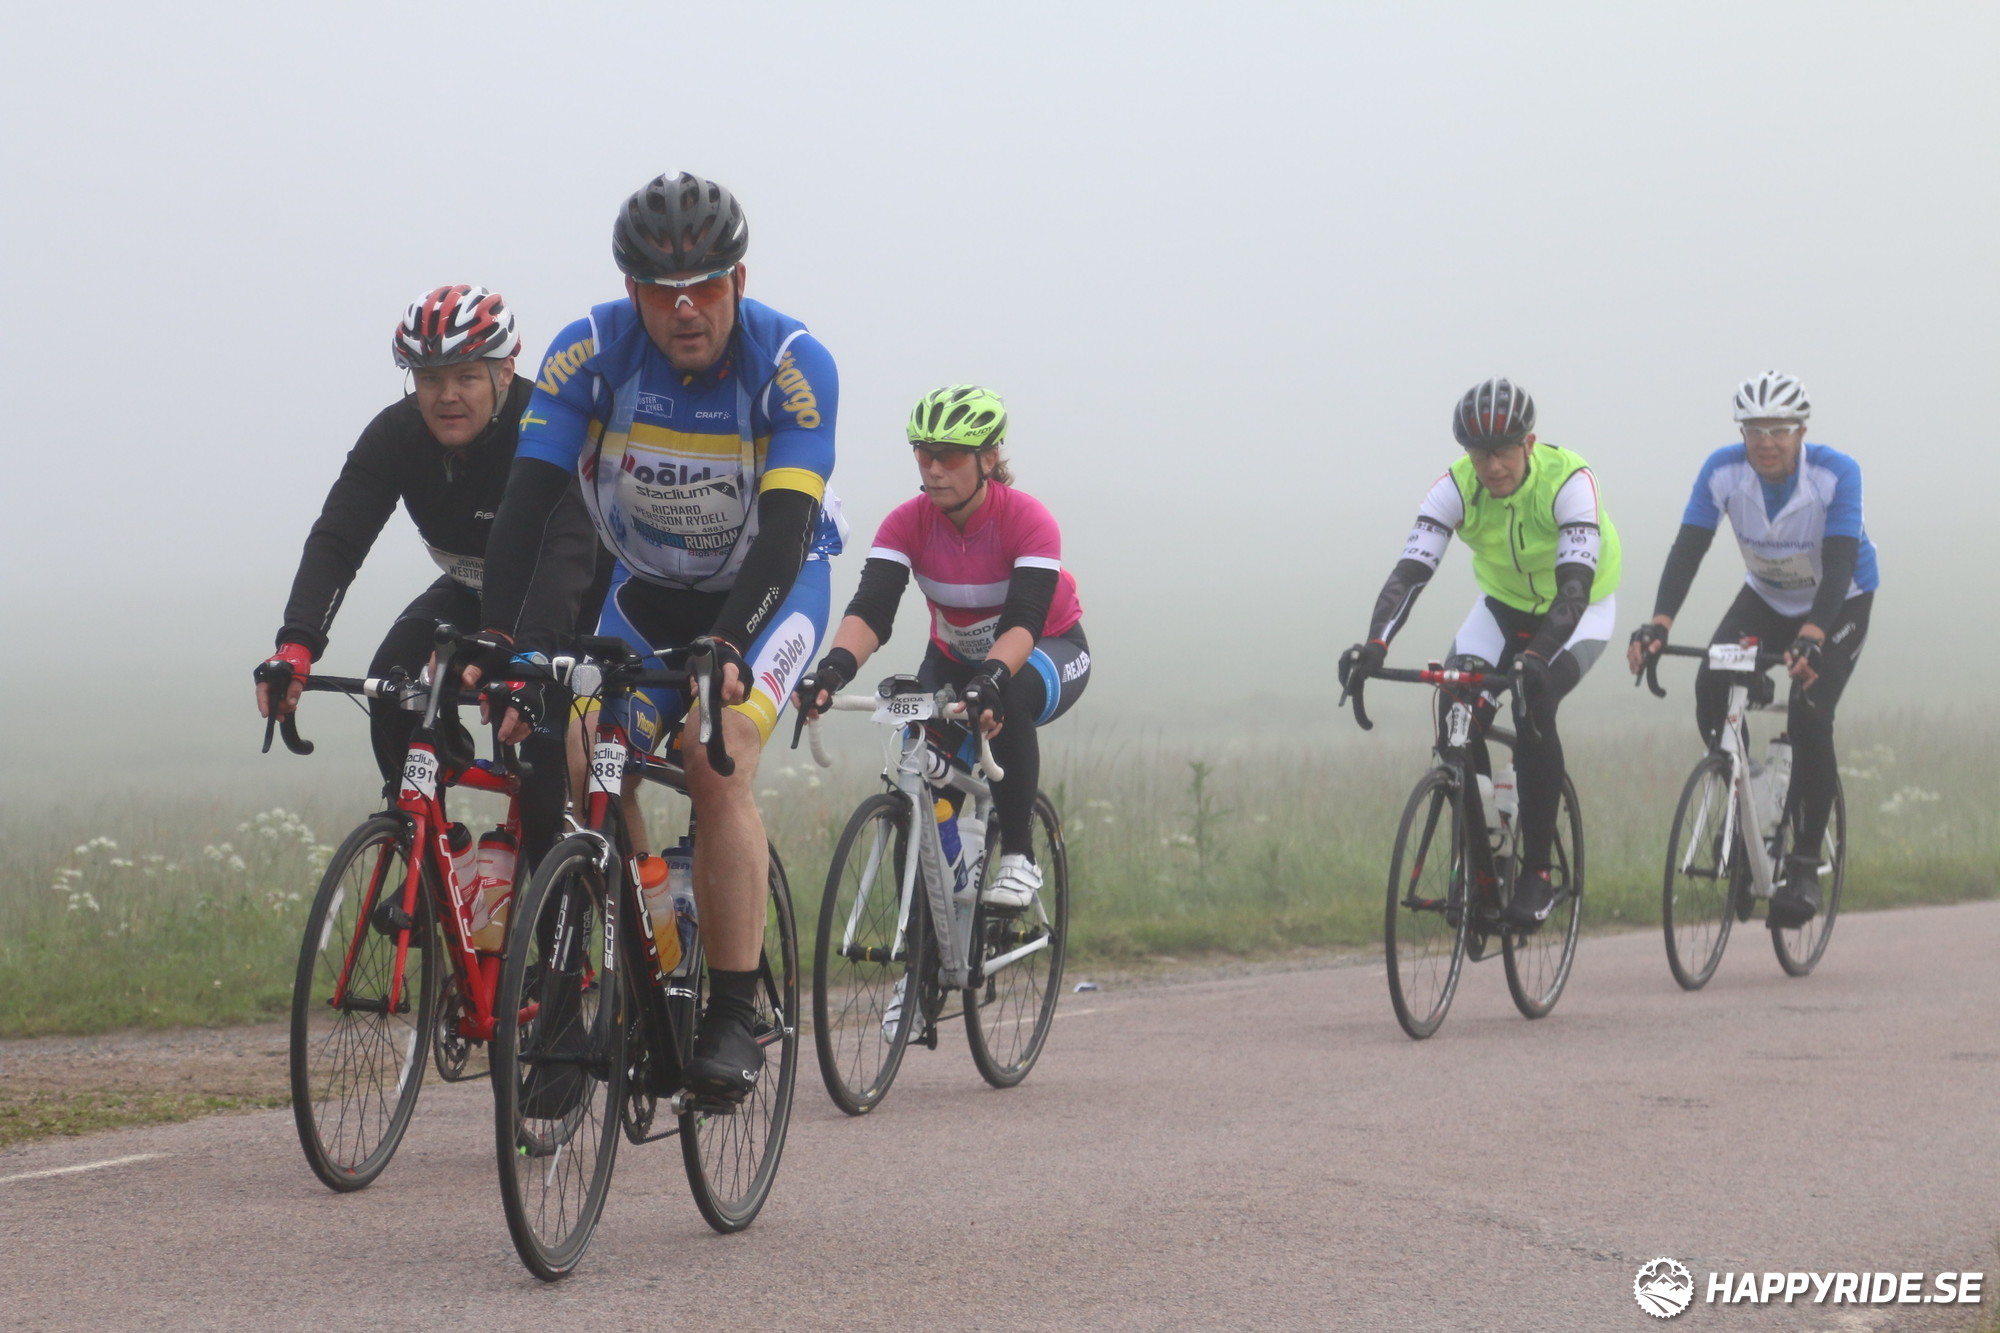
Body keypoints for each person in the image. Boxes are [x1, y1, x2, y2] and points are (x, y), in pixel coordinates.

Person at [467, 173, 843, 1103]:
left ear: (739, 280)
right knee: (582, 747)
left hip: (771, 591)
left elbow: (786, 533)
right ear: (630, 290)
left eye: (706, 286)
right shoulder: (588, 354)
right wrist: (499, 640)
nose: (686, 309)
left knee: (716, 754)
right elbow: (525, 508)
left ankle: (735, 1009)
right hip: (647, 592)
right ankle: (631, 960)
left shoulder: (792, 364)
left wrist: (730, 644)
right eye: (663, 290)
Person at [257, 284, 608, 868]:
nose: (447, 397)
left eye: (466, 377)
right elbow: (338, 539)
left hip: (569, 596)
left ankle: (555, 909)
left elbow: (569, 555)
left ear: (505, 372)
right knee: (391, 684)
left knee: (540, 775)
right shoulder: (396, 434)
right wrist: (297, 643)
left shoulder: (546, 426)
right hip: (473, 591)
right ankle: (437, 867)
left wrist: (529, 658)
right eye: (429, 379)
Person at [793, 384, 1090, 912]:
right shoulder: (906, 523)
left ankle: (1018, 858)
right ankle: (925, 948)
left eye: (949, 456)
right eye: (923, 453)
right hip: (954, 659)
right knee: (924, 789)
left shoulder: (1028, 520)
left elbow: (1024, 621)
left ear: (988, 459)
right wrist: (832, 670)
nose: (932, 469)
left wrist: (992, 678)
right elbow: (872, 611)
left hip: (1046, 647)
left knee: (1010, 695)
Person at [1342, 377, 1621, 930]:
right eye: (1479, 452)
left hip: (1578, 611)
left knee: (1534, 704)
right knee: (1456, 708)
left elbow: (1574, 589)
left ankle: (1537, 872)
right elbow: (1411, 571)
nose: (1492, 466)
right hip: (1502, 607)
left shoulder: (1570, 481)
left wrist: (1537, 659)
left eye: (1503, 451)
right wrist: (1375, 644)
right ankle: (1483, 856)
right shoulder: (1454, 487)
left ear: (1529, 443)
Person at [1625, 371, 1879, 928]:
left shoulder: (1837, 473)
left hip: (1839, 602)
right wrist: (1659, 625)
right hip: (1766, 598)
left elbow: (1840, 562)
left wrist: (1814, 636)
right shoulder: (1722, 471)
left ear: (1801, 431)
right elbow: (1689, 547)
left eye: (1779, 430)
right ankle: (1748, 798)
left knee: (1810, 713)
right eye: (1755, 430)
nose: (1766, 442)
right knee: (1711, 684)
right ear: (1741, 432)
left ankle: (1805, 864)